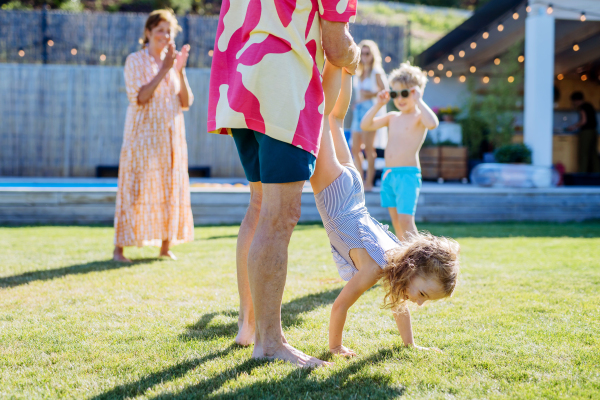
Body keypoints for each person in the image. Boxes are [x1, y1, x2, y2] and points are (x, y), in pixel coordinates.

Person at [207, 0, 360, 367]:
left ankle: (249, 326)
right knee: (280, 214)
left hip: (238, 82)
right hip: (282, 89)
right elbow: (338, 48)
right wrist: (357, 60)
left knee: (259, 206)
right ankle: (270, 343)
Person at [312, 61, 460, 357]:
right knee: (317, 120)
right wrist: (336, 347)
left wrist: (410, 344)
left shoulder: (397, 255)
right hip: (337, 193)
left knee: (334, 119)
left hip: (353, 194)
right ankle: (320, 66)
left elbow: (400, 306)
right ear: (414, 268)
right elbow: (340, 304)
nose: (417, 303)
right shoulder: (374, 268)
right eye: (422, 295)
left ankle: (345, 66)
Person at [113, 9, 194, 262]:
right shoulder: (135, 60)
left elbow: (186, 102)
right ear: (148, 32)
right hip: (142, 136)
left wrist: (179, 70)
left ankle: (165, 246)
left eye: (169, 30)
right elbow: (140, 97)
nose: (165, 35)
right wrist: (165, 69)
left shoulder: (172, 64)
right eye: (160, 29)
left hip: (170, 136)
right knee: (134, 188)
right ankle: (119, 249)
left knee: (170, 188)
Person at [361, 62, 439, 240]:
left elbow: (433, 123)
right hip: (389, 174)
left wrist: (419, 101)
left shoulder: (419, 117)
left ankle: (419, 259)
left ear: (416, 92)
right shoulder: (392, 117)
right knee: (396, 222)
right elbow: (365, 124)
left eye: (405, 93)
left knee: (406, 221)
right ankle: (406, 259)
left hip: (407, 175)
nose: (400, 99)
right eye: (395, 94)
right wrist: (378, 104)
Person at [350, 40, 387, 191]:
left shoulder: (376, 72)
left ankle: (369, 183)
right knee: (354, 149)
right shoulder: (359, 72)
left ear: (373, 55)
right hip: (358, 110)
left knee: (369, 149)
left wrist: (369, 94)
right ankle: (360, 180)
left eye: (367, 53)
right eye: (362, 53)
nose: (365, 56)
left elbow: (385, 93)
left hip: (370, 110)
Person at [567, 92, 600, 173]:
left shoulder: (582, 107)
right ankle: (597, 173)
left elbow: (584, 121)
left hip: (586, 133)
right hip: (593, 132)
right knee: (593, 154)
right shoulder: (589, 105)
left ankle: (582, 173)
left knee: (583, 154)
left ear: (576, 100)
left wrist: (573, 127)